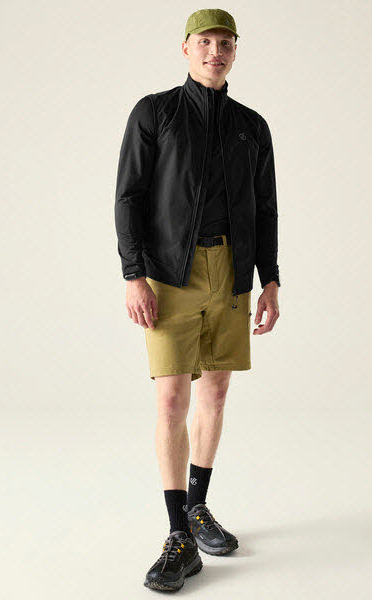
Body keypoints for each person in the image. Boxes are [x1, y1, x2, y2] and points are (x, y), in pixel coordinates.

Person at [114, 8, 281, 592]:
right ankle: (177, 535)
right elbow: (129, 197)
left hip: (231, 274)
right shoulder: (155, 112)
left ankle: (198, 506)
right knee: (170, 400)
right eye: (205, 41)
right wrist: (134, 274)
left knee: (216, 391)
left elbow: (265, 207)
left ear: (236, 51)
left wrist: (270, 279)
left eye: (225, 42)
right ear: (186, 48)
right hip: (169, 275)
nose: (216, 51)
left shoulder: (251, 126)